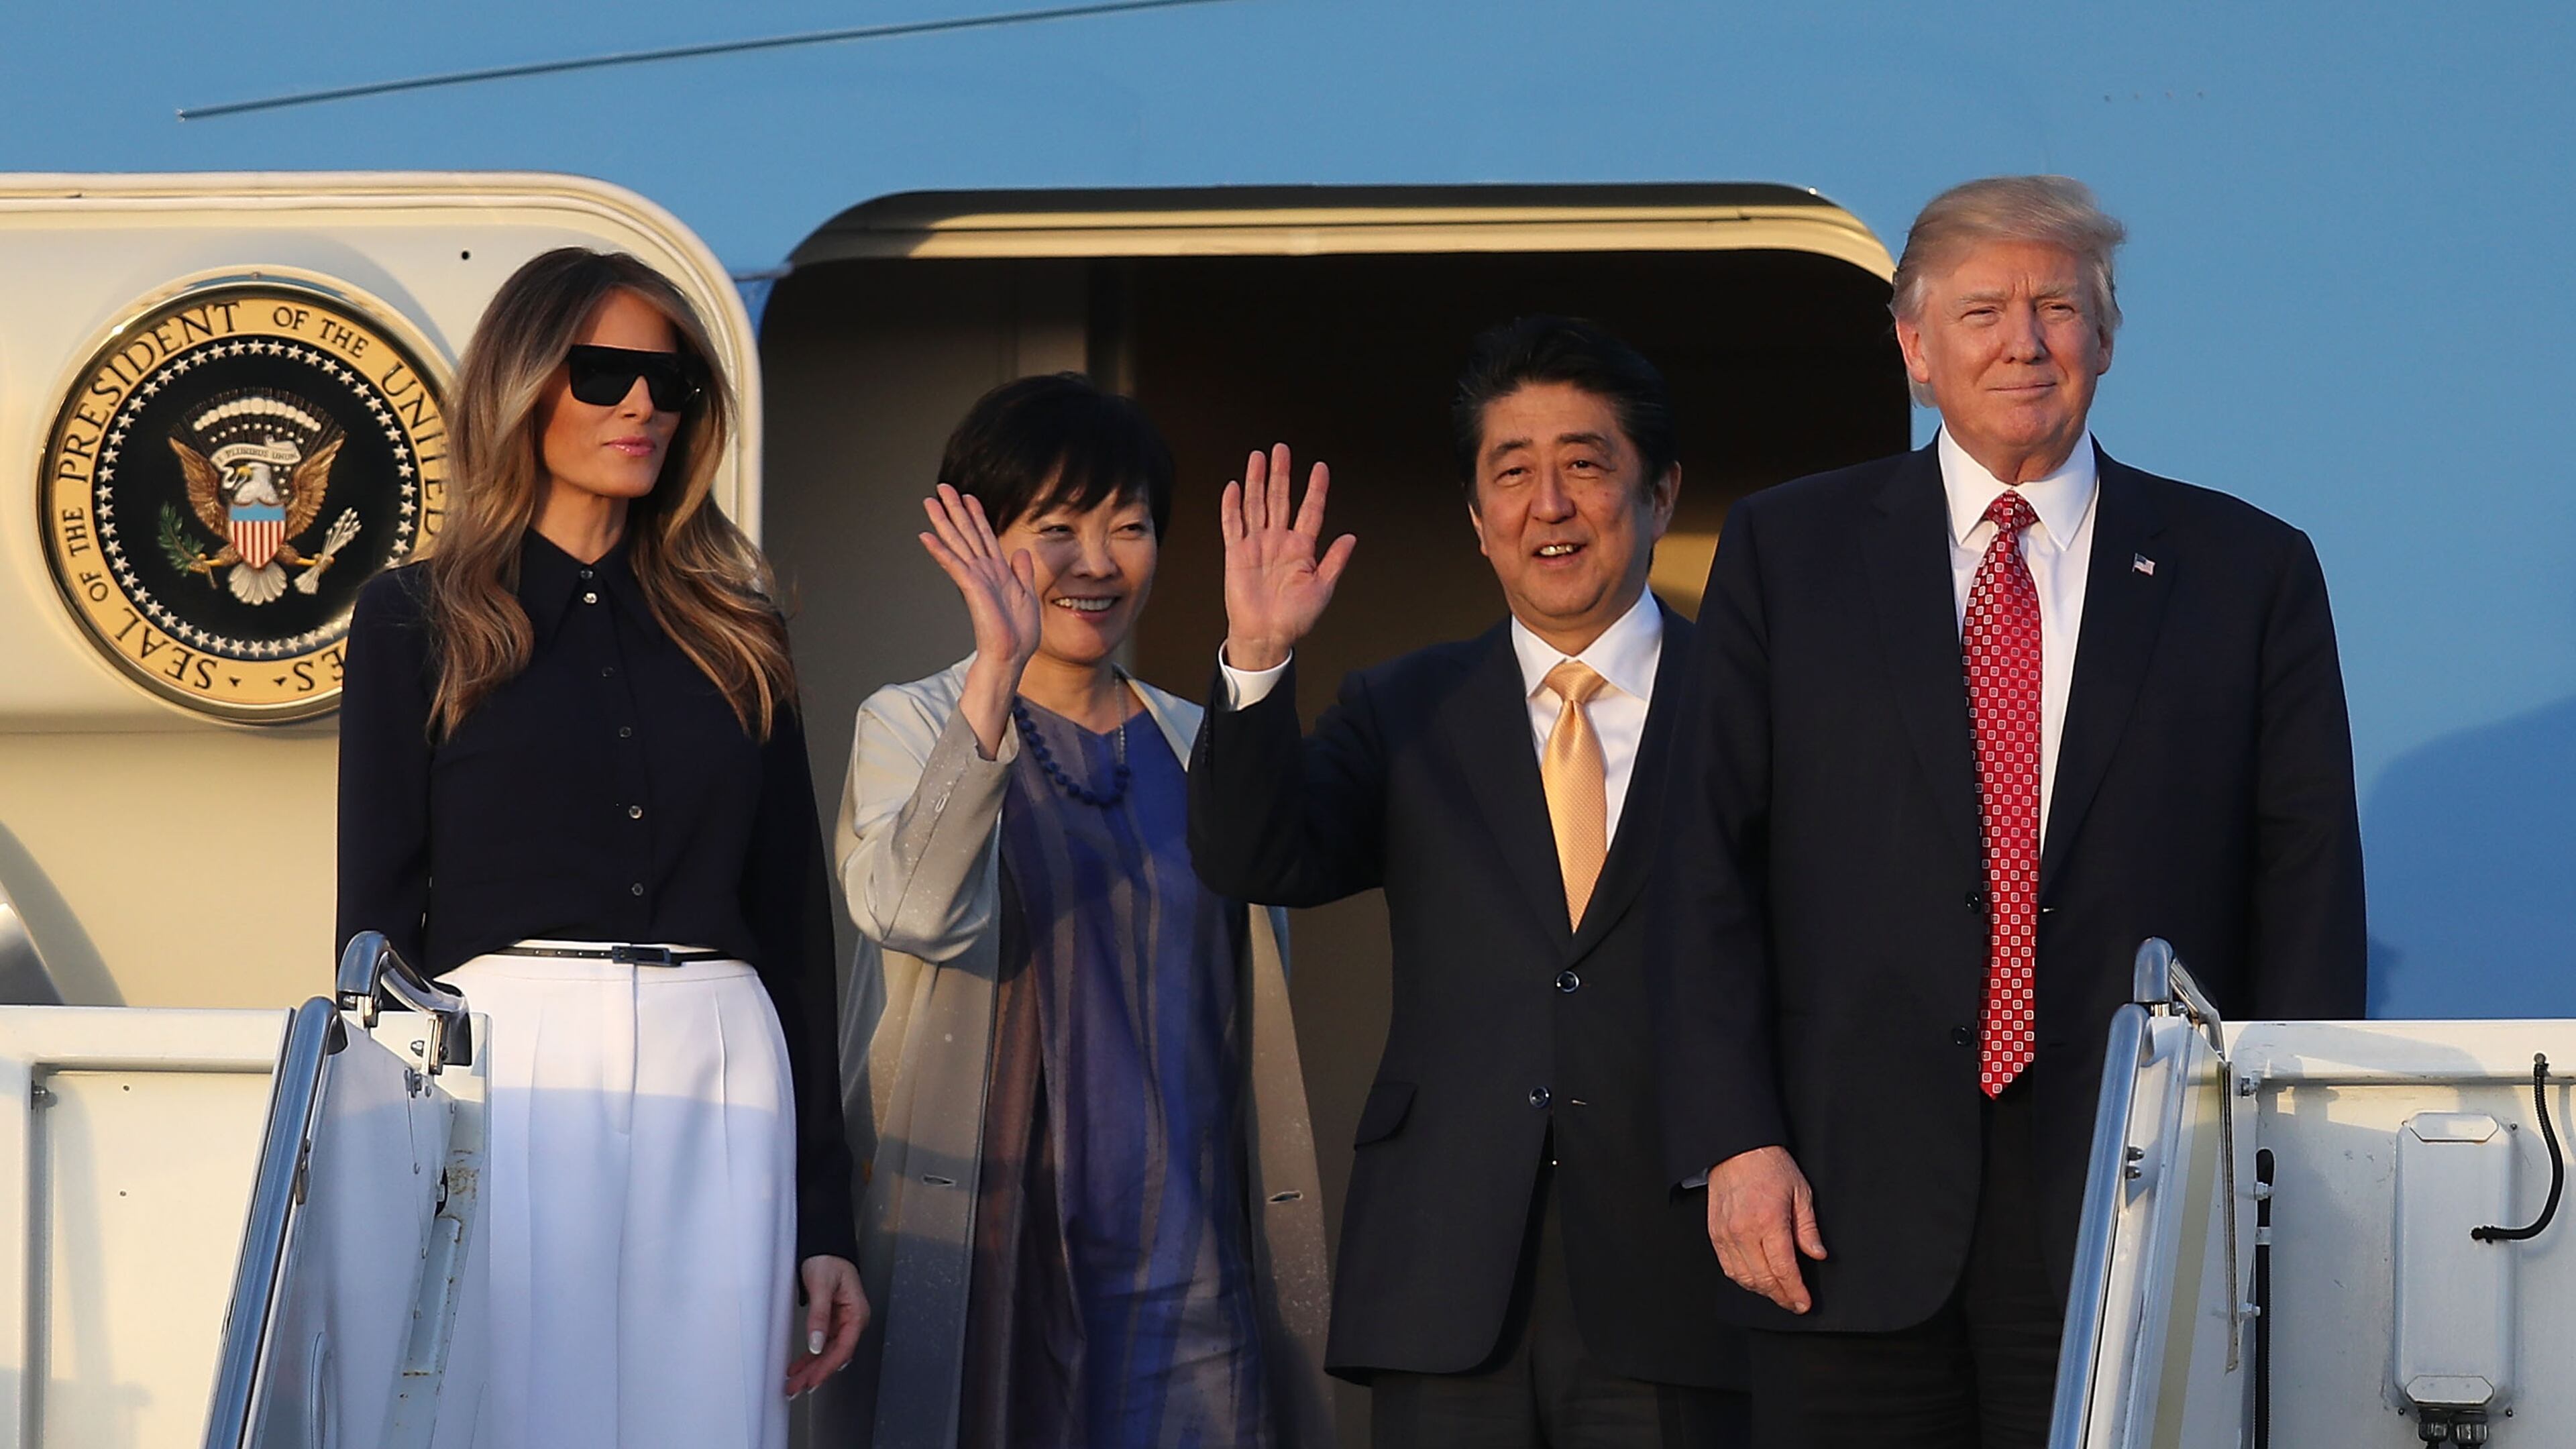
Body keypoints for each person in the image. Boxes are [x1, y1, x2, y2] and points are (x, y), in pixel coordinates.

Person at [1659, 175, 2368, 1447]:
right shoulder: (1788, 552)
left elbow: (2305, 885)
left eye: (2058, 306)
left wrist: (2276, 1178)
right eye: (1983, 310)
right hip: (1837, 1201)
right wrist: (1733, 1141)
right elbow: (1705, 868)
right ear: (1915, 348)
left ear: (2107, 337)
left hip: (2141, 1203)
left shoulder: (2247, 570)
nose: (2024, 341)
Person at [335, 247, 865, 1449]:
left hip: (720, 1055)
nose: (642, 406)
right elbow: (375, 920)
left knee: (708, 1420)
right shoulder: (417, 617)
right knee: (513, 1413)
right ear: (525, 384)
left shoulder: (742, 632)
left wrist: (824, 1214)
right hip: (511, 1053)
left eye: (669, 385)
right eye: (608, 373)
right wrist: (383, 1154)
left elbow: (793, 925)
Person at [1189, 317, 1752, 1448]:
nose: (1550, 504)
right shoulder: (1404, 707)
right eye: (1513, 474)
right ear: (1478, 521)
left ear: (1660, 494)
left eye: (1585, 465)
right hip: (1447, 1271)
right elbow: (1258, 857)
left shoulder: (1753, 700)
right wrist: (1256, 656)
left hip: (1686, 1263)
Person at [832, 374, 1335, 1449]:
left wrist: (1259, 656)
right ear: (973, 536)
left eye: (1130, 527)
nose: (1097, 563)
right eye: (1054, 528)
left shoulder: (1204, 740)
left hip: (1188, 1272)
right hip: (982, 1254)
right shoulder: (912, 722)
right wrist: (997, 667)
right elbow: (913, 912)